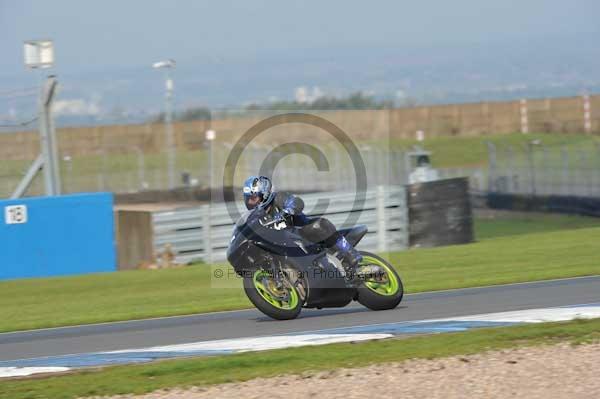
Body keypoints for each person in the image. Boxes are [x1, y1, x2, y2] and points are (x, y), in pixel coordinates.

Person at [242, 175, 362, 270]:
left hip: (304, 235)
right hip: (285, 246)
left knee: (317, 225)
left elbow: (296, 202)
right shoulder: (256, 217)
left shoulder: (279, 197)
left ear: (264, 194)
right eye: (248, 200)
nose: (251, 203)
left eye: (253, 199)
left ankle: (351, 255)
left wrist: (286, 212)